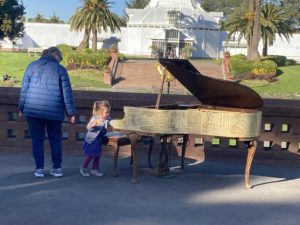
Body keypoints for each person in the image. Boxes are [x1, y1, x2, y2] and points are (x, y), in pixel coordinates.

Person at [18, 46, 76, 178]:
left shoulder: (31, 66)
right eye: (59, 58)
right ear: (55, 54)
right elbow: (67, 94)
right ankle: (57, 168)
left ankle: (39, 169)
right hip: (54, 110)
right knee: (55, 139)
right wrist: (71, 113)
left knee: (37, 139)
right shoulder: (60, 69)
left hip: (33, 109)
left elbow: (24, 90)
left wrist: (21, 108)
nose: (59, 62)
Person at [80, 100, 111, 177]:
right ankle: (83, 168)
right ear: (100, 112)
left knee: (98, 155)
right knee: (90, 155)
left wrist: (115, 123)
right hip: (92, 141)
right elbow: (88, 127)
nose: (108, 114)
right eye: (106, 112)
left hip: (98, 140)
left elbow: (112, 121)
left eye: (109, 112)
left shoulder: (107, 118)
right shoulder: (95, 118)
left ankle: (94, 170)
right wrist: (93, 124)